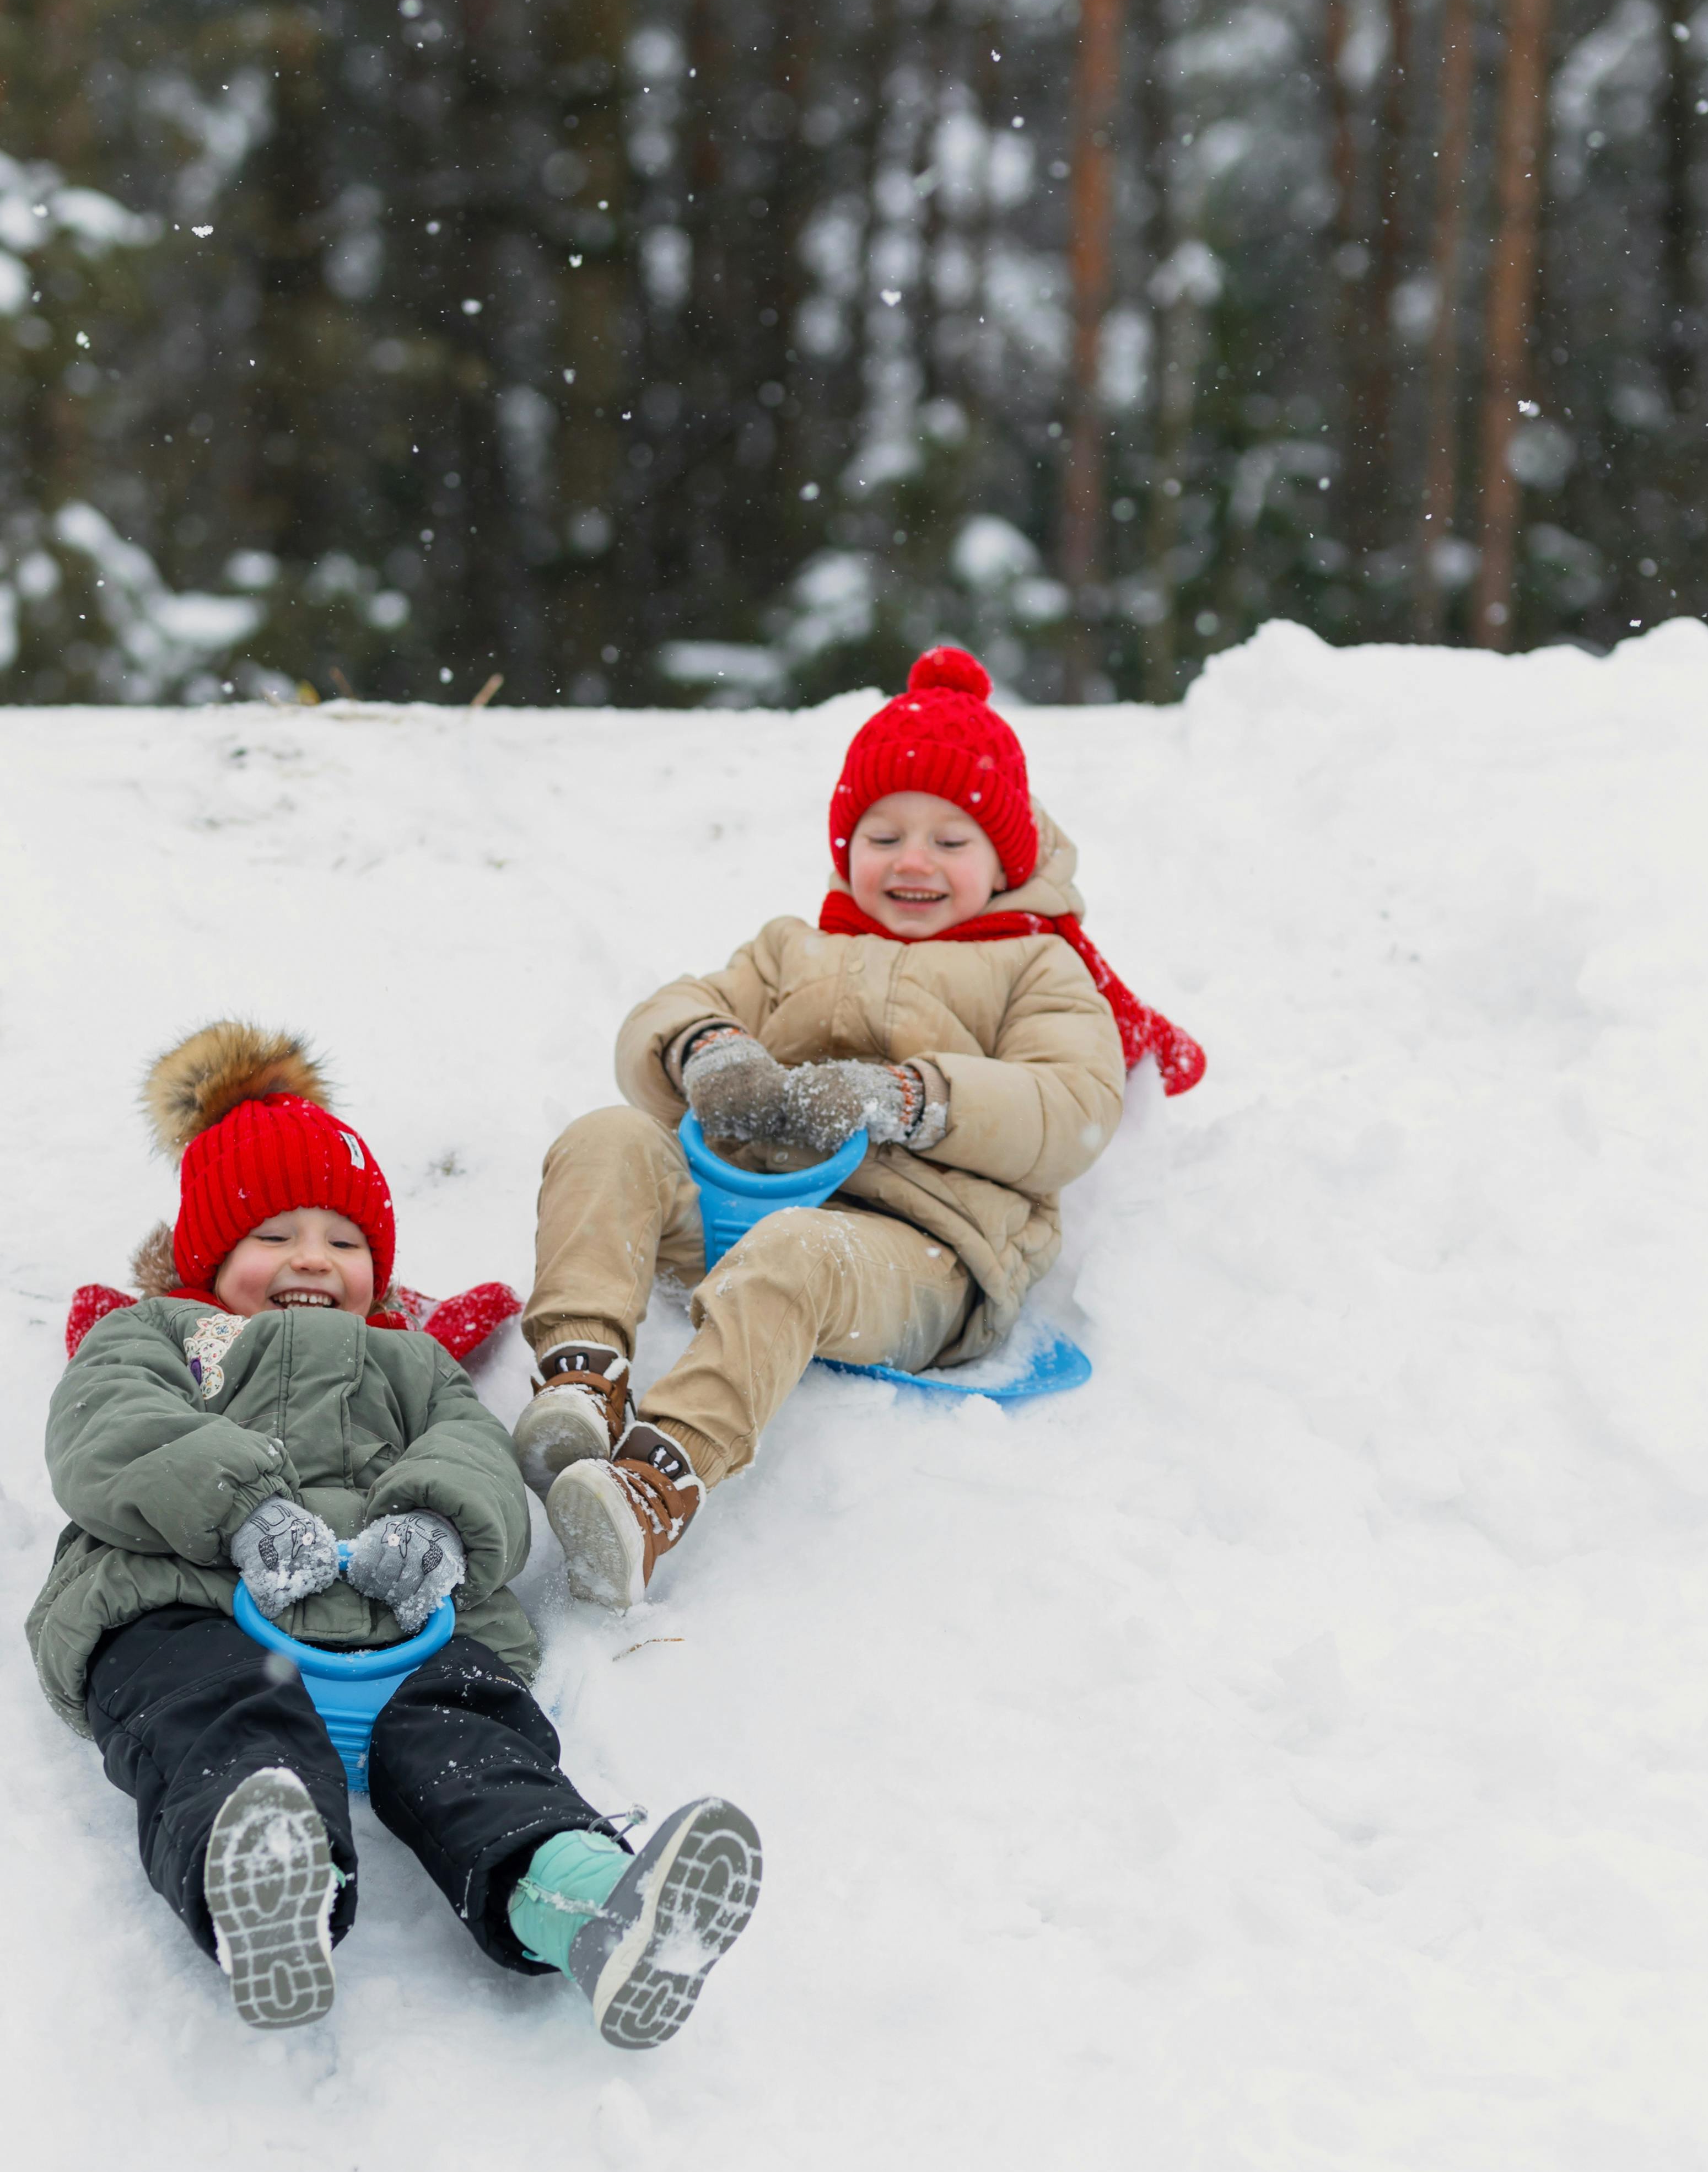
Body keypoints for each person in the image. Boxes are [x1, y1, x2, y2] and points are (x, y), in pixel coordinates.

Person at [25, 1022, 761, 2037]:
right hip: (195, 1607)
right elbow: (108, 1430)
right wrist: (241, 1506)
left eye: (345, 1241)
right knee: (216, 1730)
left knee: (479, 1751)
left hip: (402, 1625)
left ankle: (586, 1900)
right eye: (273, 1237)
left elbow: (474, 1454)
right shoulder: (158, 1336)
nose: (313, 1261)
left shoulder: (410, 1364)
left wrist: (435, 1520)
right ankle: (274, 1893)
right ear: (208, 1253)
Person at [515, 646, 1203, 1608]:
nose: (912, 861)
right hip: (735, 1204)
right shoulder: (795, 946)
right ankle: (581, 1381)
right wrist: (710, 1050)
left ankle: (650, 1491)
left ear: (1005, 857)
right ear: (847, 846)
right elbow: (661, 1016)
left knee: (798, 1253)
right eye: (884, 834)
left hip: (920, 1256)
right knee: (605, 1138)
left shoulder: (1037, 969)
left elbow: (1072, 1113)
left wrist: (909, 1099)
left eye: (950, 840)